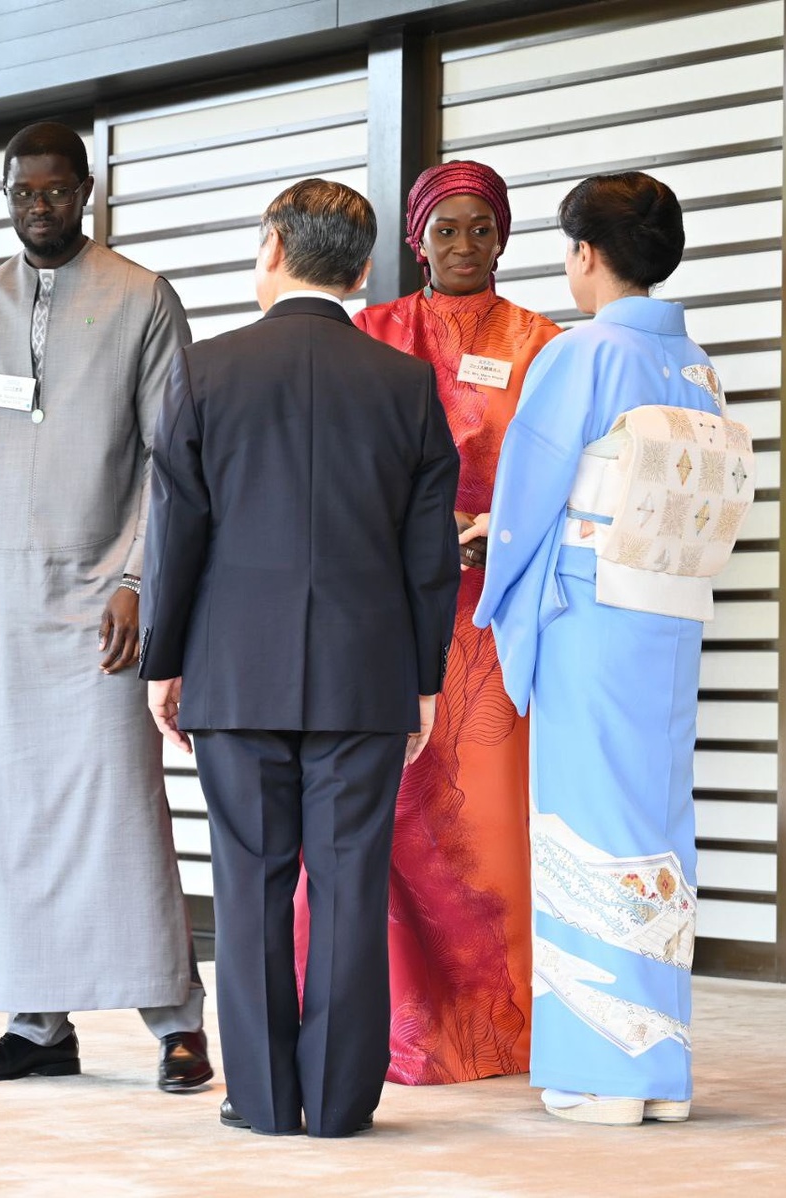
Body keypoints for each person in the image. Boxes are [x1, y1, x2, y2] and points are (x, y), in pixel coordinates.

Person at [0, 121, 212, 1092]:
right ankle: (36, 1022)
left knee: (124, 809)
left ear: (86, 191)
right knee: (18, 813)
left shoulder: (142, 296)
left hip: (107, 603)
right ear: (5, 195)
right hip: (10, 607)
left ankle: (176, 1023)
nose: (40, 206)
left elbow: (173, 457)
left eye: (57, 190)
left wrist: (138, 581)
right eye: (24, 192)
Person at [138, 178, 461, 1137]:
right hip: (367, 678)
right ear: (364, 270)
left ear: (272, 247)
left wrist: (164, 661)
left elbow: (175, 534)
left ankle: (267, 1101)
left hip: (233, 672)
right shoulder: (404, 385)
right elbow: (428, 555)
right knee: (350, 881)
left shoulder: (203, 371)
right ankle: (340, 1103)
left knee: (249, 887)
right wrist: (426, 678)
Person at [475, 171, 755, 1125]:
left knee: (584, 823)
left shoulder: (579, 352)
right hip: (669, 615)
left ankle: (605, 1071)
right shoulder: (695, 365)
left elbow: (528, 493)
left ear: (585, 255)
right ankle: (659, 1065)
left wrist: (495, 573)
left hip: (591, 617)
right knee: (655, 823)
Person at [292, 159, 561, 1085]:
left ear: (504, 238)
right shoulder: (372, 331)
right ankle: (383, 1028)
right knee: (382, 816)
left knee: (484, 825)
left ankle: (490, 1029)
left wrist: (506, 532)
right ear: (414, 238)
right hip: (383, 608)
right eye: (444, 229)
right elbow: (332, 464)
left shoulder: (543, 341)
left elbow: (572, 469)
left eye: (480, 229)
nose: (462, 246)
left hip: (491, 615)